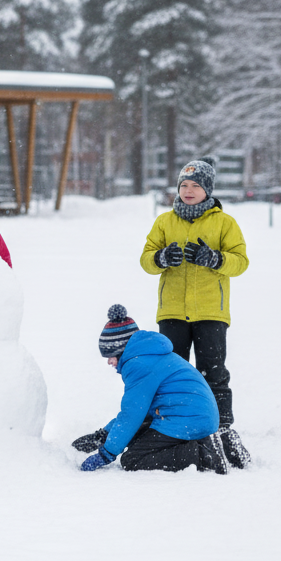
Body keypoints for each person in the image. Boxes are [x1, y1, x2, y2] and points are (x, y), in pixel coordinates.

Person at [140, 156, 251, 468]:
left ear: (208, 191)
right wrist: (161, 257)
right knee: (171, 372)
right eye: (183, 185)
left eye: (195, 186)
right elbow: (146, 260)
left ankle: (222, 426)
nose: (188, 191)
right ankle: (168, 424)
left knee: (212, 371)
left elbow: (240, 262)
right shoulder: (164, 222)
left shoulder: (224, 223)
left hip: (210, 313)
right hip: (172, 311)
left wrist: (214, 258)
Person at [72, 305, 227, 474]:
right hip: (193, 417)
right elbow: (138, 413)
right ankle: (214, 442)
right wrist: (103, 435)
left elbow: (132, 414)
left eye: (110, 354)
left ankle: (204, 456)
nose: (109, 361)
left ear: (121, 349)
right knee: (134, 438)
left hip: (188, 420)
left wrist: (106, 454)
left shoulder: (138, 364)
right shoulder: (149, 354)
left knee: (132, 459)